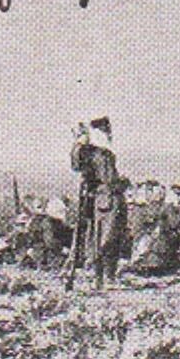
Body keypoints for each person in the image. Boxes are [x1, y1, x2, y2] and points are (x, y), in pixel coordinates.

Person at [70, 117, 129, 288]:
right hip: (109, 198)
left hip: (98, 199)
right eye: (107, 131)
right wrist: (123, 183)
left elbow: (76, 164)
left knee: (98, 238)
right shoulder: (104, 154)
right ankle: (107, 278)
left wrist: (78, 143)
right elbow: (110, 180)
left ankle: (100, 278)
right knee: (109, 238)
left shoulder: (90, 152)